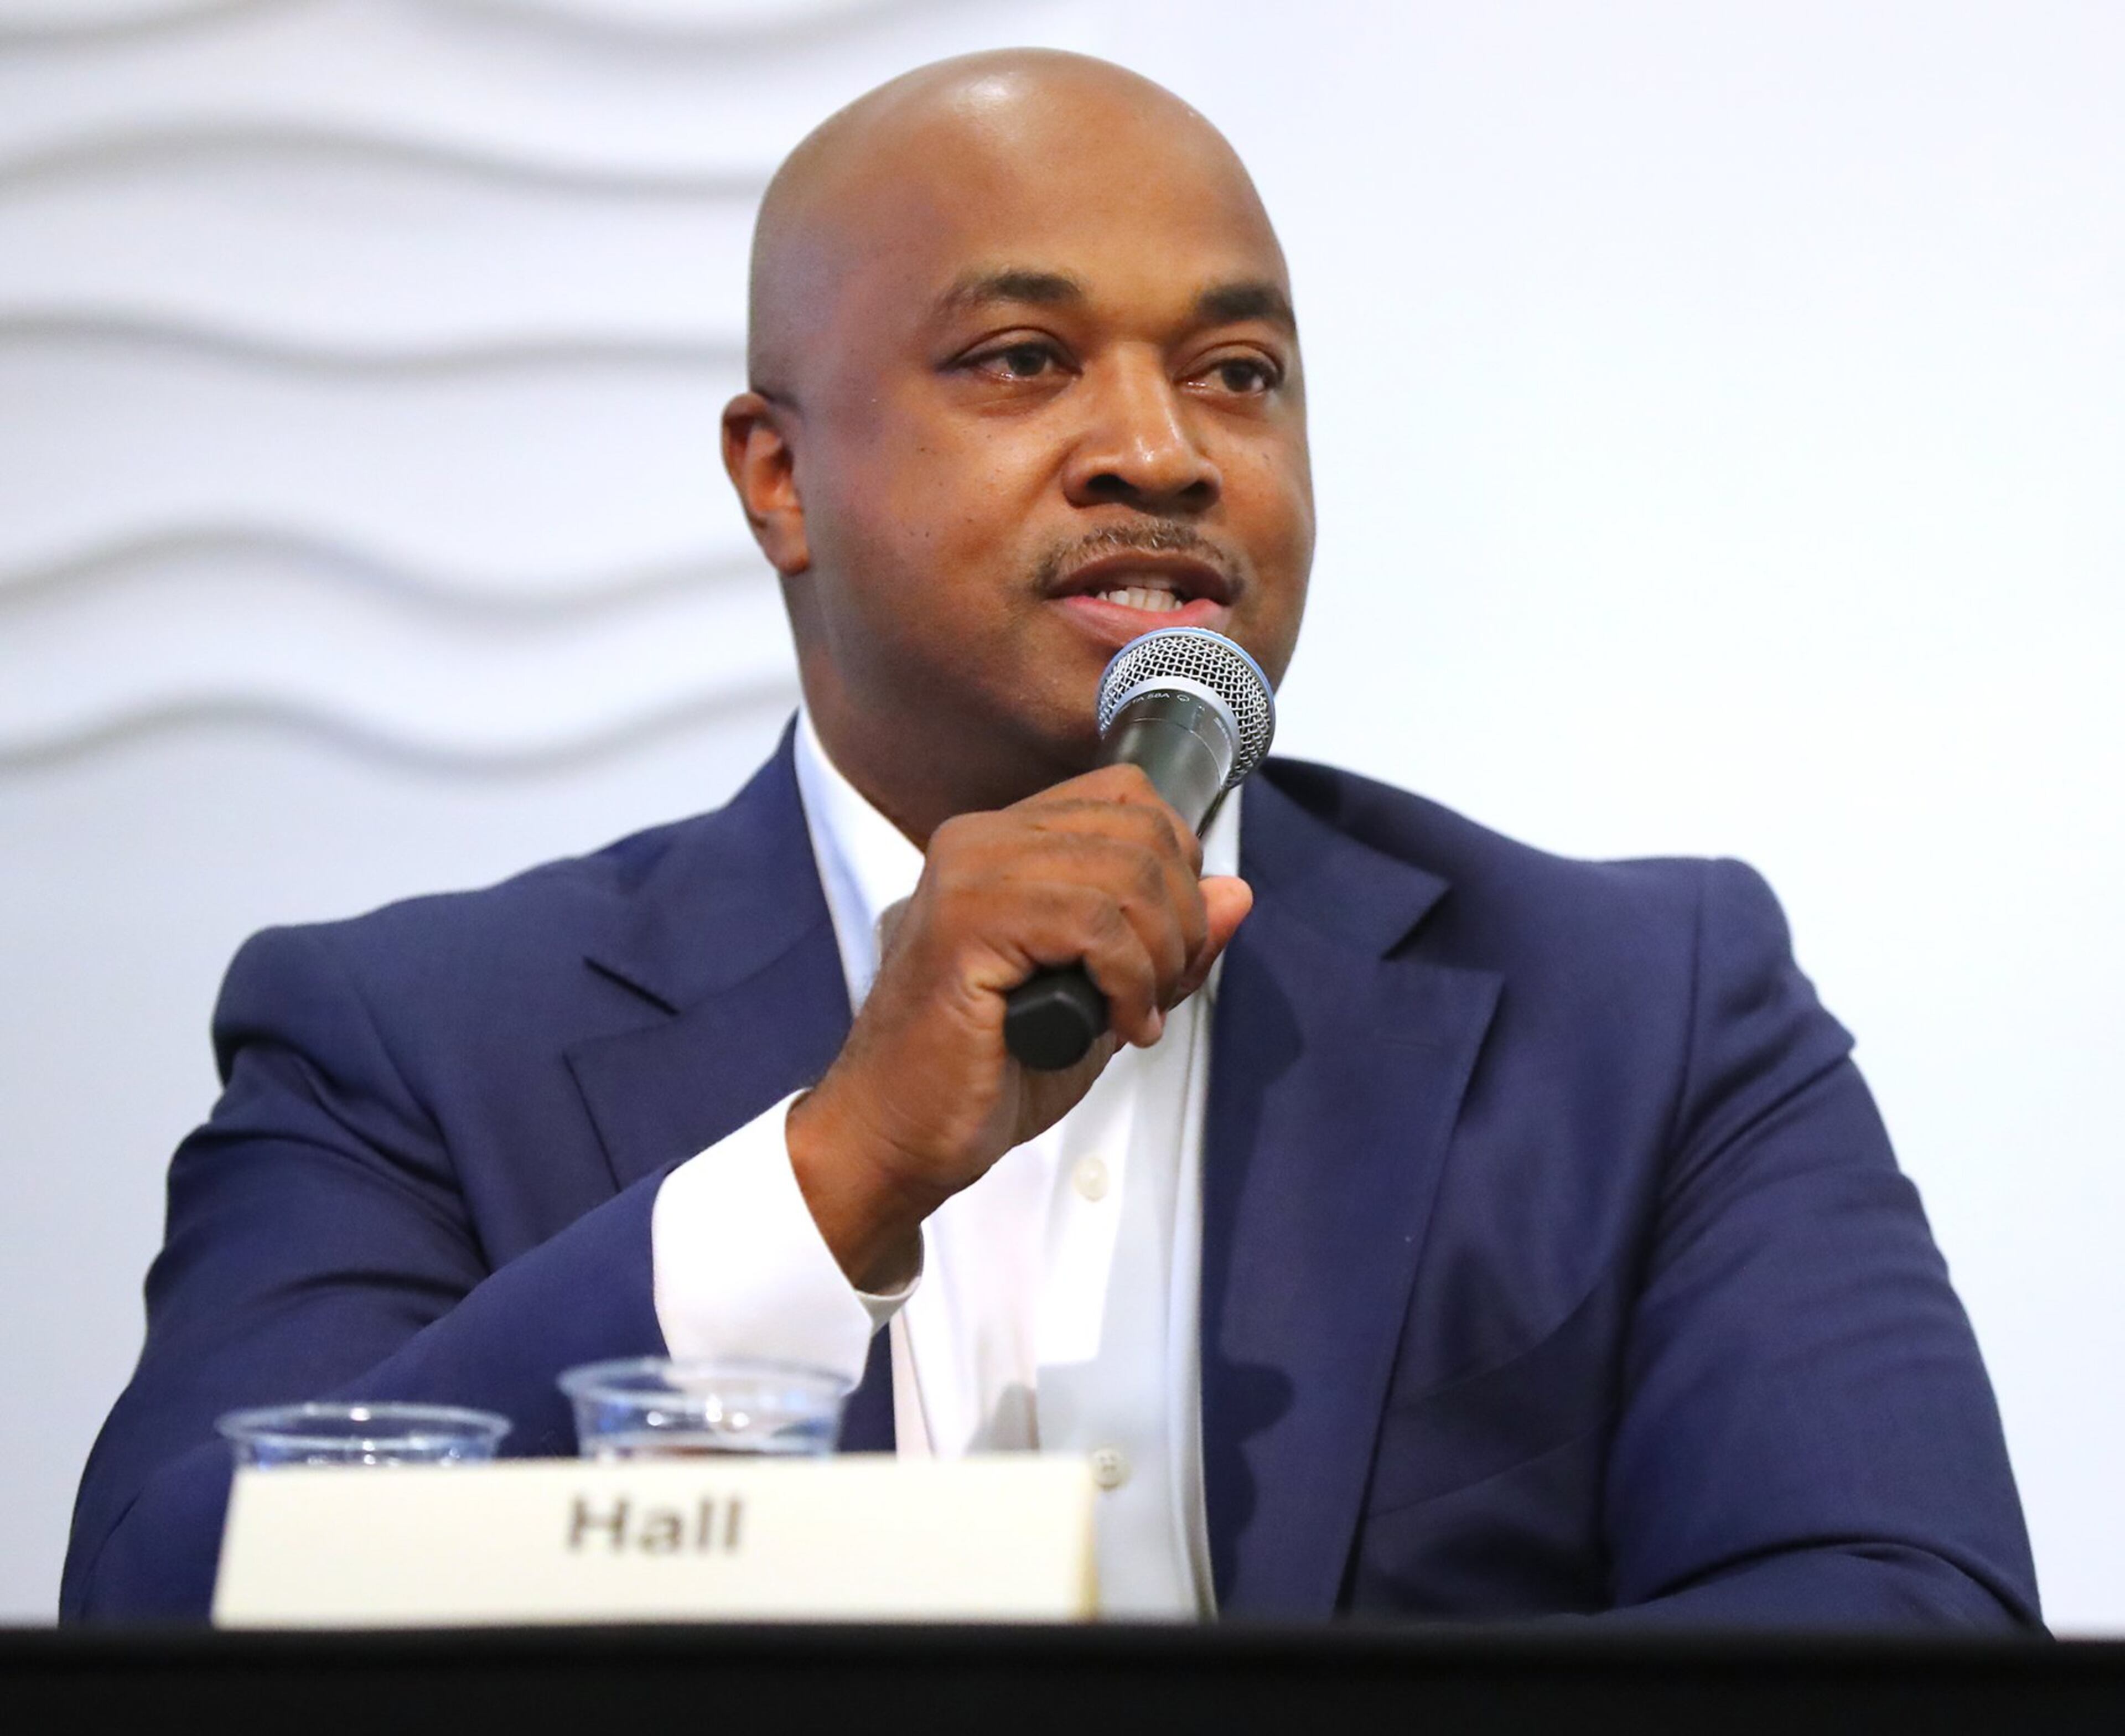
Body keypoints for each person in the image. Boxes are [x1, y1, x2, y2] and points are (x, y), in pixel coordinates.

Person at [64, 50, 2037, 1627]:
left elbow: (1903, 1621)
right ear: (780, 478)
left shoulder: (1644, 1011)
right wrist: (824, 1176)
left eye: (1236, 373)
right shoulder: (408, 1034)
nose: (1164, 449)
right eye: (1022, 361)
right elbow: (166, 1605)